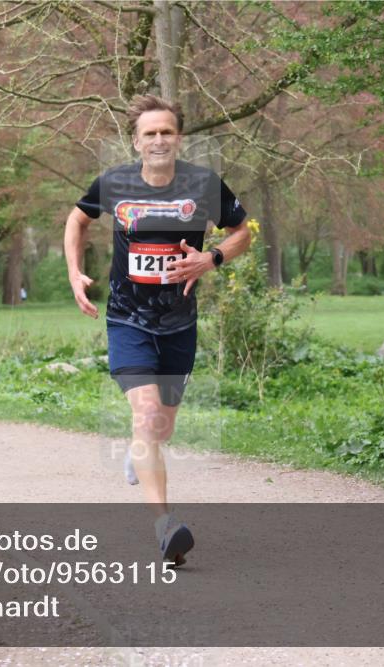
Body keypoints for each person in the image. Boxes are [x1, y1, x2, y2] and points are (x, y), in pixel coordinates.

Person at [64, 95, 251, 566]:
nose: (159, 140)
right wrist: (74, 272)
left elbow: (242, 231)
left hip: (179, 324)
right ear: (137, 141)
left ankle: (139, 450)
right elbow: (77, 219)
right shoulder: (115, 183)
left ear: (179, 138)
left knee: (160, 427)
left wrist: (211, 258)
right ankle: (165, 527)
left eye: (167, 131)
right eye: (150, 133)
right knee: (147, 416)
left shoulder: (203, 184)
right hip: (127, 319)